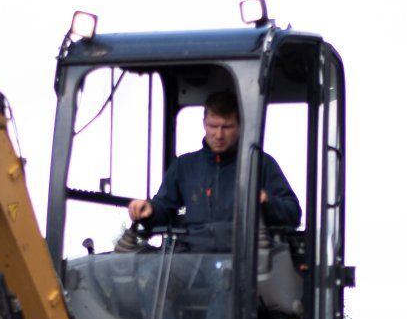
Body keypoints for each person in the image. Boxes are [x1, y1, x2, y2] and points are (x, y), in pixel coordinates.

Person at [126, 89, 300, 252]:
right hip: (192, 264)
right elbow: (164, 208)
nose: (219, 135)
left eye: (227, 127)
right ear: (204, 124)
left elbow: (293, 213)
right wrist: (150, 211)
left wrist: (266, 203)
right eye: (213, 126)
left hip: (244, 263)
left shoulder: (261, 163)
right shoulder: (184, 166)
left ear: (240, 126)